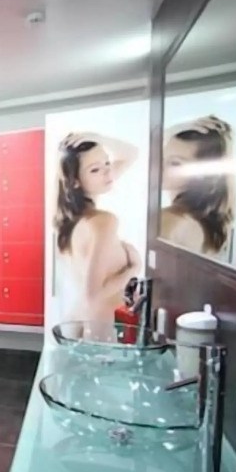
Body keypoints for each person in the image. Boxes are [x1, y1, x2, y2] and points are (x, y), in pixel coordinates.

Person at [54, 132, 141, 326]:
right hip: (98, 329)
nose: (108, 173)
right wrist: (134, 268)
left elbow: (132, 153)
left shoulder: (75, 220)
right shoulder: (103, 221)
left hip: (83, 324)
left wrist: (97, 137)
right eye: (95, 170)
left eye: (107, 162)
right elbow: (93, 295)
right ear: (75, 181)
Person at [160, 116, 234, 259]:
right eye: (161, 157)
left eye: (175, 163)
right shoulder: (209, 222)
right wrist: (169, 133)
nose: (158, 167)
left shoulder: (169, 220)